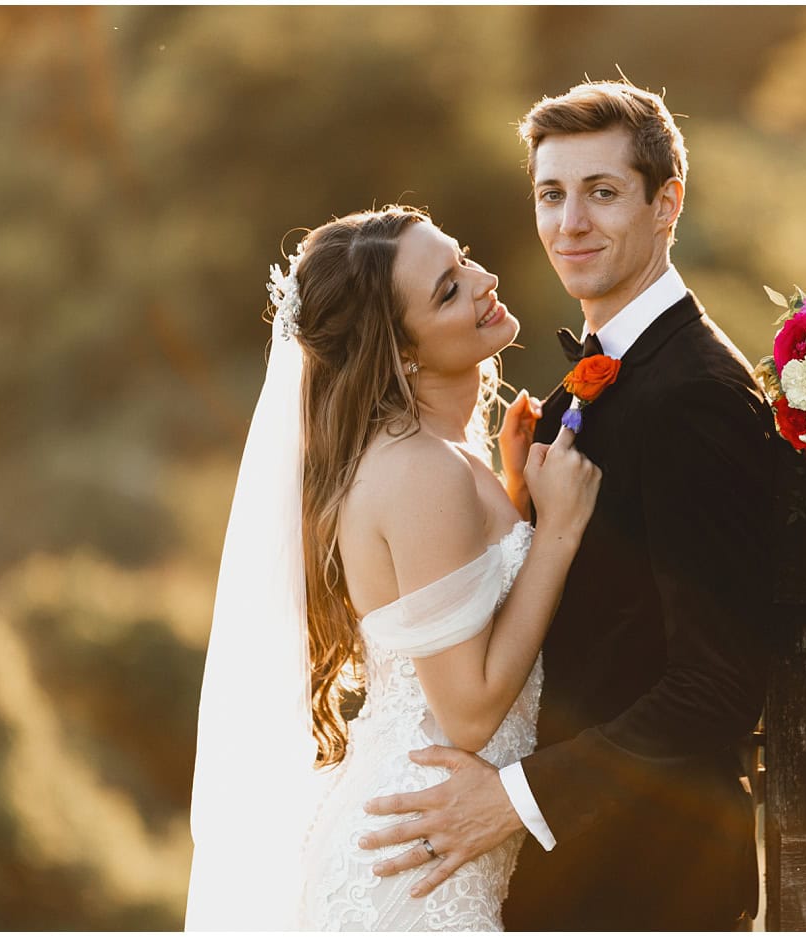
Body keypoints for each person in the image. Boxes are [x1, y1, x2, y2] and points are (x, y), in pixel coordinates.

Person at [357, 81, 776, 929]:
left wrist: (515, 799)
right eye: (552, 194)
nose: (570, 223)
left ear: (668, 203)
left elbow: (719, 684)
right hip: (575, 874)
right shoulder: (589, 388)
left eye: (603, 193)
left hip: (653, 877)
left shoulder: (694, 394)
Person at [185, 205, 601, 931]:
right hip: (412, 873)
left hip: (431, 844)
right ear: (400, 351)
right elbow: (467, 714)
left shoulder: (435, 454)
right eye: (447, 289)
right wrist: (557, 532)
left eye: (463, 258)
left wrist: (511, 499)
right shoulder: (417, 471)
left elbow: (458, 607)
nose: (483, 280)